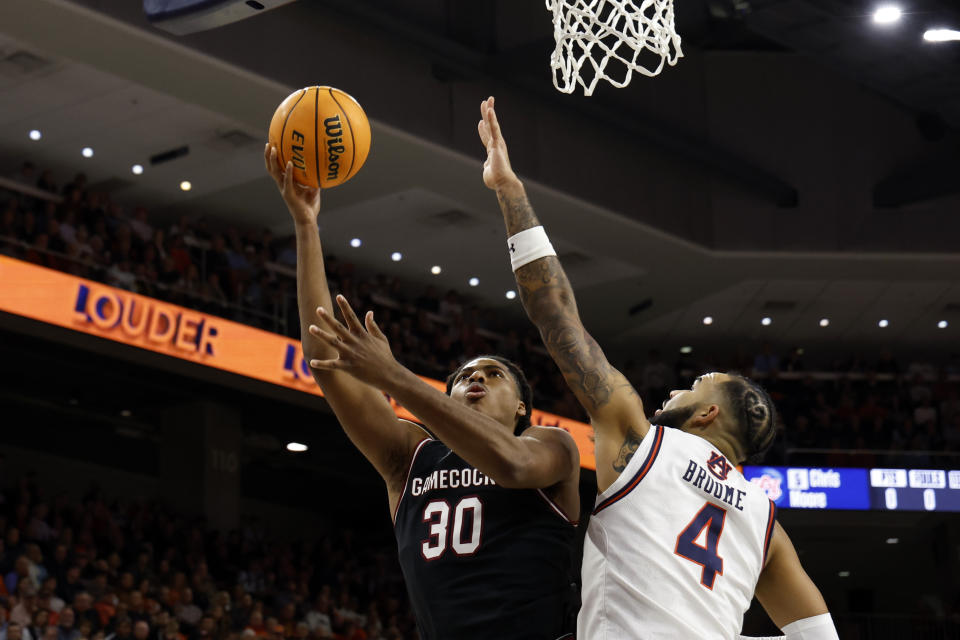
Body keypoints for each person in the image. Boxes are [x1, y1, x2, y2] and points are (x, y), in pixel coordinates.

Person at [477, 96, 838, 640]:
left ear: (707, 413)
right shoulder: (767, 527)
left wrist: (510, 191)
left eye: (693, 385)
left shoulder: (641, 441)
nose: (674, 389)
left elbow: (553, 311)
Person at [264, 144, 580, 640]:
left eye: (494, 374)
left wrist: (394, 376)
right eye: (463, 376)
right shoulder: (410, 456)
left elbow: (513, 466)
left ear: (522, 406)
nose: (475, 378)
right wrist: (306, 227)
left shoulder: (552, 446)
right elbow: (326, 362)